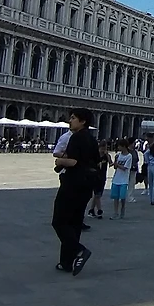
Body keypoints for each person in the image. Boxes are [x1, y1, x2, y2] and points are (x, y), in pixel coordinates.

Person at [52, 108, 97, 275]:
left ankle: (79, 250)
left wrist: (60, 161)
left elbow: (73, 162)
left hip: (72, 184)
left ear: (82, 121)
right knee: (75, 223)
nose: (70, 121)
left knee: (59, 221)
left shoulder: (76, 137)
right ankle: (66, 262)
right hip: (87, 186)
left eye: (73, 118)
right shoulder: (92, 139)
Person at [109, 139, 133, 219]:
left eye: (119, 146)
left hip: (124, 179)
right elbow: (115, 167)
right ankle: (115, 212)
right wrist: (115, 162)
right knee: (115, 197)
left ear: (124, 146)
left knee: (122, 197)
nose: (118, 148)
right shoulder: (118, 155)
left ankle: (122, 209)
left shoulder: (129, 156)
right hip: (116, 178)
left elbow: (125, 168)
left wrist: (117, 164)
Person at [88, 141, 109, 219]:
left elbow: (110, 163)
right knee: (97, 194)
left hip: (103, 177)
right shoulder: (95, 156)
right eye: (102, 149)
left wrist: (107, 155)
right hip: (96, 177)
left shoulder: (106, 156)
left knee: (98, 195)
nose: (103, 150)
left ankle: (91, 210)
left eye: (105, 148)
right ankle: (99, 210)